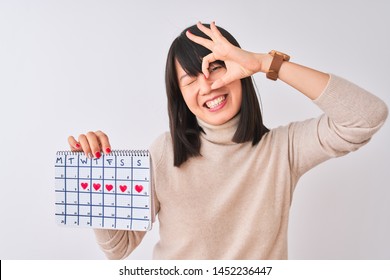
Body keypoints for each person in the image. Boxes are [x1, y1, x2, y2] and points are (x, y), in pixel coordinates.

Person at [67, 22, 388, 259]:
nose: (207, 85)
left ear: (241, 73)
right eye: (190, 79)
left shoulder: (282, 149)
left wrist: (264, 63)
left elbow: (367, 116)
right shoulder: (164, 152)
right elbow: (119, 248)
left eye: (216, 68)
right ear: (180, 96)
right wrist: (99, 179)